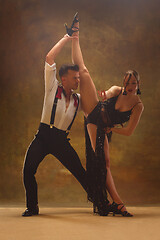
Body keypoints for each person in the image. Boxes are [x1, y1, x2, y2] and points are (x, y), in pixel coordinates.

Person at [70, 14, 144, 216]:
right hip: (94, 114)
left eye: (133, 84)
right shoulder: (117, 90)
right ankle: (75, 36)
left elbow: (128, 132)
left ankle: (115, 202)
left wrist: (113, 130)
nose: (129, 87)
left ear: (138, 85)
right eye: (127, 84)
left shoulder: (138, 105)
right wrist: (101, 94)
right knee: (83, 71)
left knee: (106, 163)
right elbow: (106, 94)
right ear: (124, 82)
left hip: (105, 127)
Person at [22, 33, 90, 217]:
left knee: (80, 172)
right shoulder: (52, 87)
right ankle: (32, 207)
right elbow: (49, 58)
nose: (78, 80)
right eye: (75, 78)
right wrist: (68, 37)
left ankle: (100, 202)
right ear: (64, 79)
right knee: (28, 170)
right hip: (43, 137)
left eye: (78, 77)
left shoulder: (79, 99)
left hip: (61, 141)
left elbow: (97, 103)